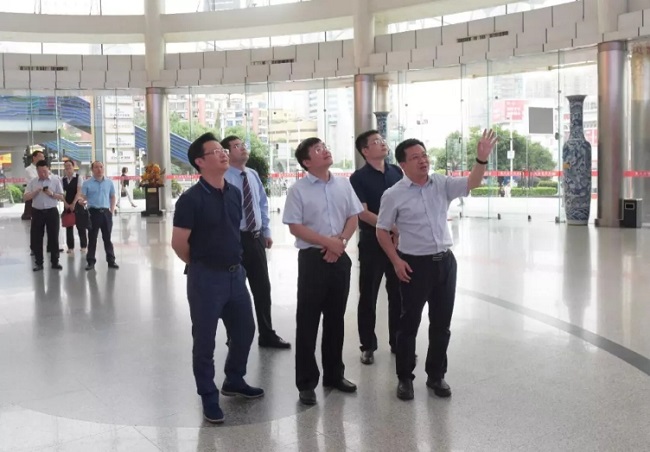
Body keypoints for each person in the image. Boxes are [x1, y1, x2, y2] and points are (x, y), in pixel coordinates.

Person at [376, 130, 497, 401]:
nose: (423, 161)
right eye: (415, 157)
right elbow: (381, 230)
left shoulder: (440, 183)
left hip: (445, 263)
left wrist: (481, 159)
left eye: (424, 155)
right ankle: (405, 378)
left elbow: (473, 182)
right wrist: (396, 261)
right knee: (408, 324)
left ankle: (436, 375)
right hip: (413, 265)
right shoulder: (393, 195)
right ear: (403, 164)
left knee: (441, 324)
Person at [172, 132, 263, 424]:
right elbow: (179, 244)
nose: (224, 153)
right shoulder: (190, 200)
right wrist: (202, 265)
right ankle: (208, 396)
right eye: (216, 151)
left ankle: (234, 379)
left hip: (236, 276)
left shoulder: (234, 193)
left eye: (224, 150)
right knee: (205, 341)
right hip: (206, 279)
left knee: (245, 330)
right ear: (200, 162)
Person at [283, 137, 364, 406]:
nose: (325, 150)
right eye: (318, 149)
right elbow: (295, 226)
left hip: (339, 256)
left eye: (325, 146)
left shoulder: (343, 184)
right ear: (307, 162)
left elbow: (353, 216)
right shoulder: (298, 190)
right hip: (313, 259)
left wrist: (340, 242)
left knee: (335, 319)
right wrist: (326, 242)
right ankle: (306, 382)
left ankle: (334, 375)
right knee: (308, 321)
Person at [222, 135, 290, 349]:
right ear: (226, 153)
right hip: (234, 240)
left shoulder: (251, 174)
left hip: (255, 238)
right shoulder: (223, 177)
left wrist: (266, 231)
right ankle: (234, 335)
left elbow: (261, 203)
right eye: (236, 146)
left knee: (262, 288)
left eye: (243, 145)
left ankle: (267, 334)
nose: (242, 148)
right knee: (234, 290)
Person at [350, 130, 403, 365]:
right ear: (365, 150)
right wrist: (389, 226)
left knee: (398, 294)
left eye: (382, 140)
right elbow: (362, 212)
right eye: (376, 142)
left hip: (397, 241)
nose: (382, 143)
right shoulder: (358, 178)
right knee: (368, 295)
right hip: (372, 242)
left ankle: (398, 342)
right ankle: (368, 345)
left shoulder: (396, 172)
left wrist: (398, 229)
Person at [23, 160, 64, 271]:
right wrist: (35, 192)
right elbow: (25, 197)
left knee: (53, 237)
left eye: (45, 171)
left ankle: (55, 262)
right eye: (40, 172)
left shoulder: (55, 180)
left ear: (48, 169)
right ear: (37, 171)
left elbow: (61, 197)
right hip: (37, 212)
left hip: (52, 211)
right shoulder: (33, 182)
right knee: (37, 237)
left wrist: (52, 194)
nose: (43, 174)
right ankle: (39, 263)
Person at [81, 161, 119, 271]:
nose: (99, 169)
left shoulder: (109, 182)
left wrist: (112, 209)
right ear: (92, 169)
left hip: (106, 213)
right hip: (93, 213)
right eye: (96, 167)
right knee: (92, 238)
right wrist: (81, 201)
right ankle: (91, 261)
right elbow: (83, 197)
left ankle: (111, 260)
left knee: (107, 238)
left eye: (101, 167)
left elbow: (112, 196)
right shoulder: (87, 183)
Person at [62, 160, 88, 254]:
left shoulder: (78, 177)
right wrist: (65, 203)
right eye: (66, 166)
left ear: (73, 167)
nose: (68, 167)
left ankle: (83, 246)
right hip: (67, 204)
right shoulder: (63, 179)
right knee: (68, 225)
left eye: (70, 165)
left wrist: (73, 203)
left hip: (77, 203)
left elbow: (79, 191)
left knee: (80, 225)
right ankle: (70, 247)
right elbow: (61, 193)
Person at [22, 150, 45, 221]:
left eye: (43, 157)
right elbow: (35, 179)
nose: (42, 158)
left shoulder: (45, 169)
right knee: (31, 217)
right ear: (34, 158)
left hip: (42, 195)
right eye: (40, 157)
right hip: (32, 195)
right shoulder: (28, 169)